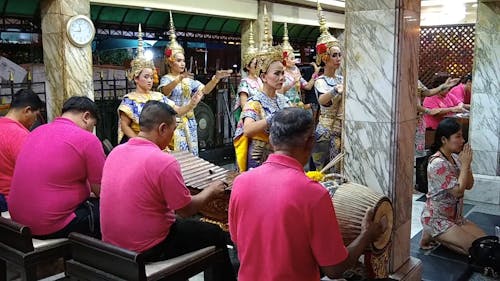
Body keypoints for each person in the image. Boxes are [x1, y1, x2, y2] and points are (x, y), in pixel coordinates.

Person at [229, 108, 383, 281]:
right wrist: (366, 235)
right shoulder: (314, 194)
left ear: (271, 140)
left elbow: (238, 242)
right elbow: (335, 269)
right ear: (310, 142)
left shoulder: (241, 182)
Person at [100, 101, 236, 281]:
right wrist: (211, 190)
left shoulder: (116, 152)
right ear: (162, 128)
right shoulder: (163, 161)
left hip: (112, 245)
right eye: (173, 131)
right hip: (148, 249)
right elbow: (186, 210)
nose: (173, 137)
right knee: (215, 234)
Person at [8, 96, 105, 239]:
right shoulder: (88, 139)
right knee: (110, 212)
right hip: (49, 225)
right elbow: (102, 191)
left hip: (19, 219)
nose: (91, 130)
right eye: (93, 125)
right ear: (86, 116)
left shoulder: (36, 131)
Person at [158, 11, 231, 156]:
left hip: (190, 121)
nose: (182, 63)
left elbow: (205, 90)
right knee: (179, 155)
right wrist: (179, 78)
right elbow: (165, 91)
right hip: (174, 123)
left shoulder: (188, 80)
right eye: (179, 60)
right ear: (170, 62)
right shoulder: (166, 79)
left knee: (193, 154)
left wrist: (215, 78)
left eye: (183, 60)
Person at [118, 24, 202, 144]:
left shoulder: (158, 97)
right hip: (139, 145)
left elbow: (178, 111)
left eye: (151, 77)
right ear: (136, 78)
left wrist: (192, 104)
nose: (149, 80)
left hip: (160, 144)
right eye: (146, 77)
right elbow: (124, 126)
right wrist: (139, 141)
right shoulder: (129, 100)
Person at [420, 118, 485, 254]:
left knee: (485, 242)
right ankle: (432, 232)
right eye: (458, 136)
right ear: (444, 140)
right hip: (438, 219)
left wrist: (467, 165)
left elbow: (469, 185)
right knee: (475, 250)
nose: (462, 140)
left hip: (456, 218)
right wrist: (465, 164)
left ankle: (438, 236)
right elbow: (458, 192)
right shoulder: (437, 163)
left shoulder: (455, 158)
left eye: (462, 136)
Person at [233, 32, 290, 172]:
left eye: (283, 73)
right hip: (259, 156)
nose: (282, 77)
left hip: (281, 155)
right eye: (277, 74)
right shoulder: (254, 103)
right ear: (264, 77)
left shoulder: (284, 101)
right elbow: (247, 130)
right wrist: (273, 118)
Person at [311, 3, 344, 172]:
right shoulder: (320, 81)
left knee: (337, 168)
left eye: (339, 55)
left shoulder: (342, 78)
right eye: (334, 55)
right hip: (325, 129)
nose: (338, 58)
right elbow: (322, 100)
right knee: (321, 170)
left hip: (341, 129)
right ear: (324, 58)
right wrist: (335, 90)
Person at [0, 89, 44, 212]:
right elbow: (34, 174)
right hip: (10, 202)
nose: (36, 120)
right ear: (27, 110)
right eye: (36, 115)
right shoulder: (21, 135)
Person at [415, 77, 460, 156]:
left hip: (419, 120)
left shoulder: (416, 81)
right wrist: (427, 110)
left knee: (418, 150)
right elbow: (411, 102)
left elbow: (428, 92)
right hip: (411, 120)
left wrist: (445, 85)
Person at [279, 22, 319, 109]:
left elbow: (308, 86)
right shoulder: (280, 72)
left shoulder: (295, 69)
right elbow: (279, 91)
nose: (294, 61)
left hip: (297, 103)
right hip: (284, 104)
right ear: (284, 60)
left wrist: (315, 74)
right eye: (292, 58)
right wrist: (293, 82)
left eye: (294, 58)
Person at [233, 21, 263, 123]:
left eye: (258, 63)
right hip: (250, 118)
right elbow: (244, 105)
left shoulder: (259, 80)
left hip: (261, 115)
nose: (258, 66)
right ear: (248, 66)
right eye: (255, 63)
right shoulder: (244, 82)